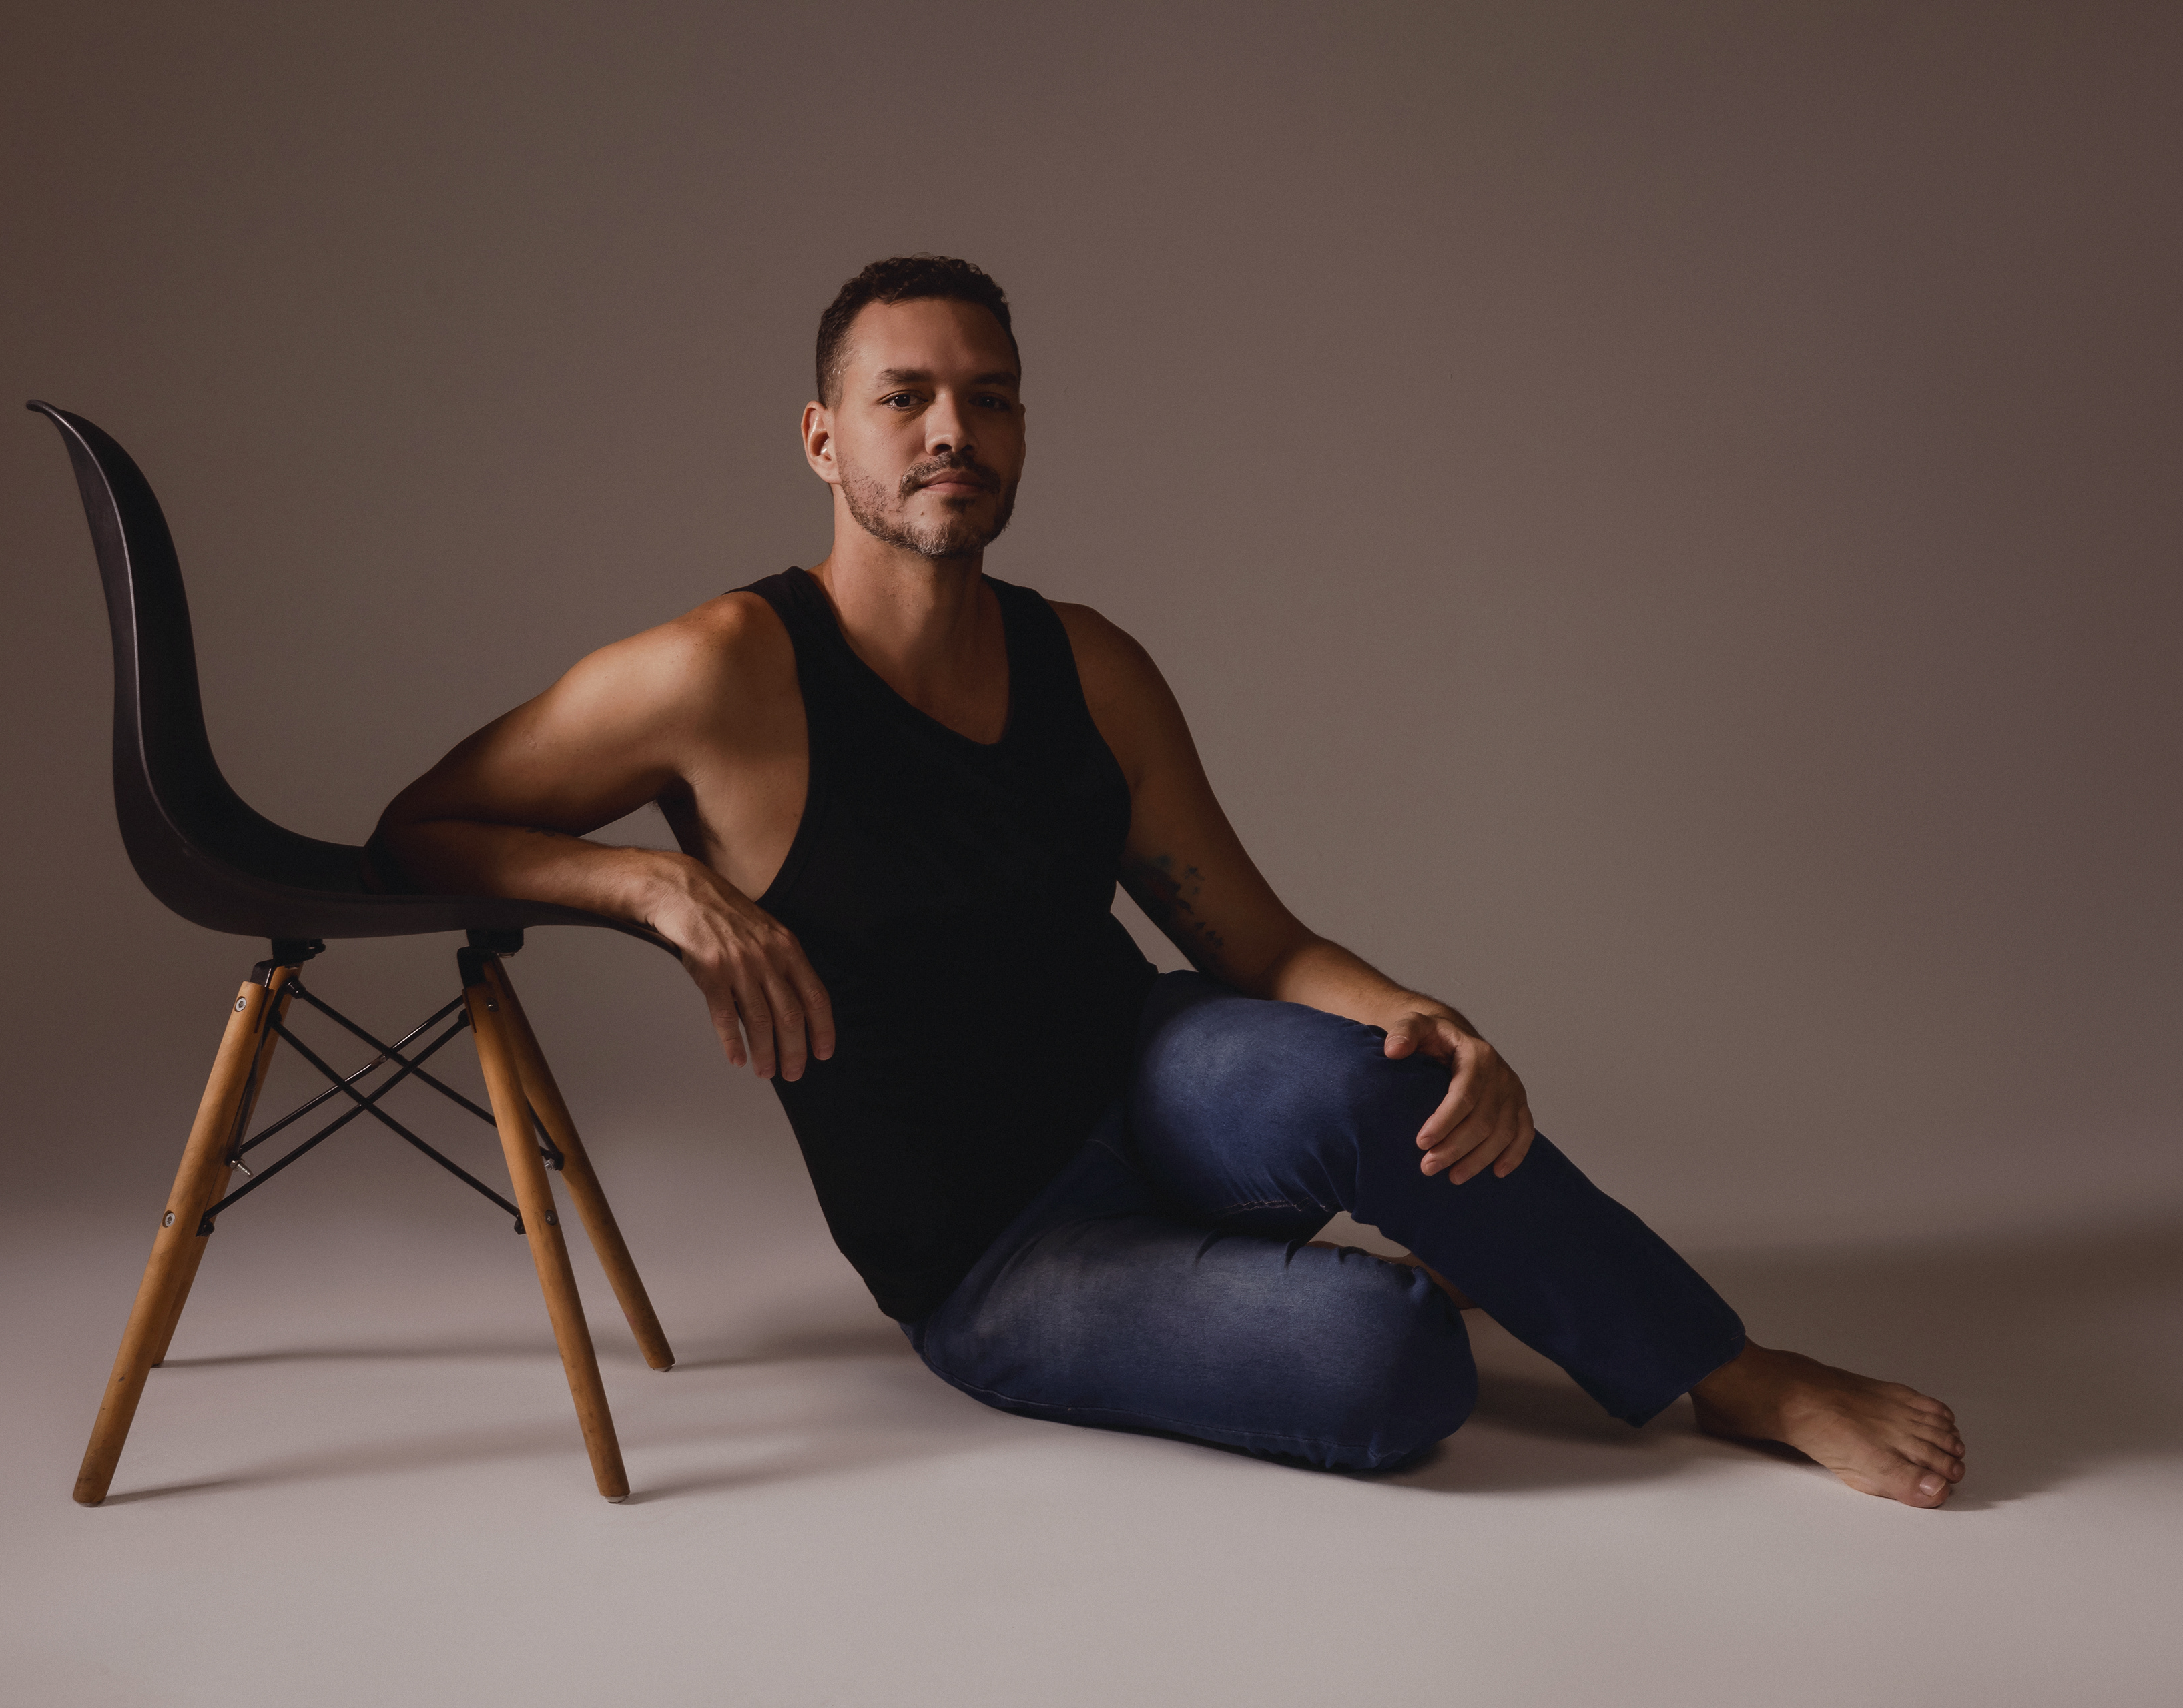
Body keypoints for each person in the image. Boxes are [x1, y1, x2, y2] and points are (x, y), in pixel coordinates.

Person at [376, 254, 1967, 1505]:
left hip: (1154, 1082)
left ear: (1022, 432)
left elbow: (1257, 941)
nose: (951, 431)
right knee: (1395, 1371)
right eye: (904, 397)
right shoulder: (719, 672)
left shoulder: (1089, 663)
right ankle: (1422, 1268)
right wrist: (657, 891)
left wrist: (1432, 1016)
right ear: (823, 437)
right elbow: (418, 829)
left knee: (1386, 1073)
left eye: (990, 399)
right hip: (994, 1250)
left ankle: (1732, 1369)